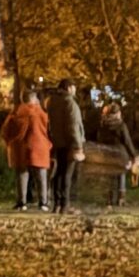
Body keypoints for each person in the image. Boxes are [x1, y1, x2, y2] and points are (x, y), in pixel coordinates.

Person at [1, 90, 51, 211]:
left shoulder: (16, 113)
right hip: (39, 147)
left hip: (20, 148)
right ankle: (43, 202)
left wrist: (10, 142)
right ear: (34, 99)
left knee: (22, 174)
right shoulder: (41, 113)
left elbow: (6, 130)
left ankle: (21, 202)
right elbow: (49, 129)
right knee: (41, 175)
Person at [47, 80, 87, 213]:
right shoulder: (69, 103)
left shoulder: (52, 102)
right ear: (69, 88)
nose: (75, 90)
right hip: (70, 143)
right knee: (68, 174)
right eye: (74, 87)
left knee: (59, 173)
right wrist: (78, 145)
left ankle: (56, 204)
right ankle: (65, 204)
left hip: (58, 142)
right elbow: (73, 126)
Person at [94, 99, 139, 207]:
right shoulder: (121, 125)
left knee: (109, 176)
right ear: (118, 113)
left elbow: (99, 138)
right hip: (120, 153)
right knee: (121, 175)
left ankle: (108, 199)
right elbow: (127, 141)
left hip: (106, 153)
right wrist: (133, 155)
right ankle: (121, 199)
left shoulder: (103, 125)